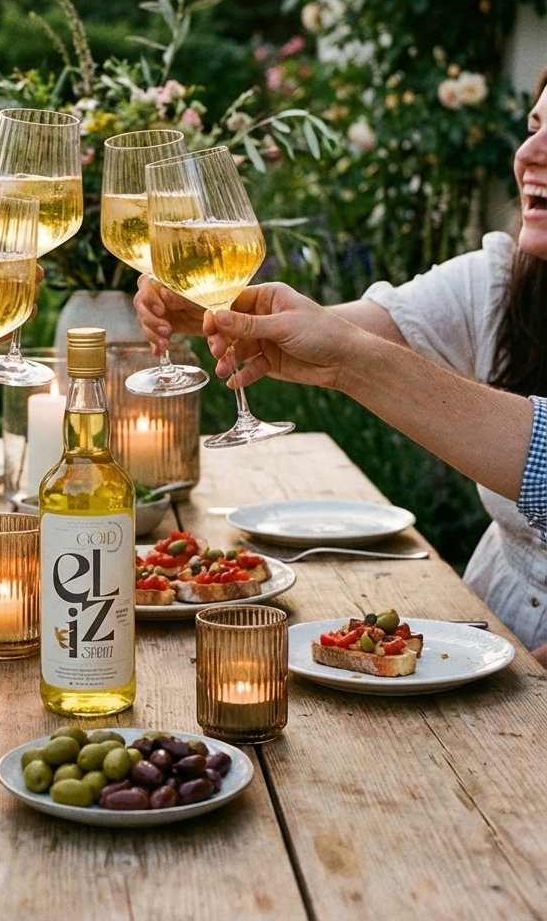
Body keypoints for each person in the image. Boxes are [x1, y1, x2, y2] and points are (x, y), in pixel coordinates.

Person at [135, 69, 547, 660]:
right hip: (489, 630)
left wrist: (349, 363)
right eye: (534, 126)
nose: (530, 152)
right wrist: (204, 304)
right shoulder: (506, 282)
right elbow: (354, 327)